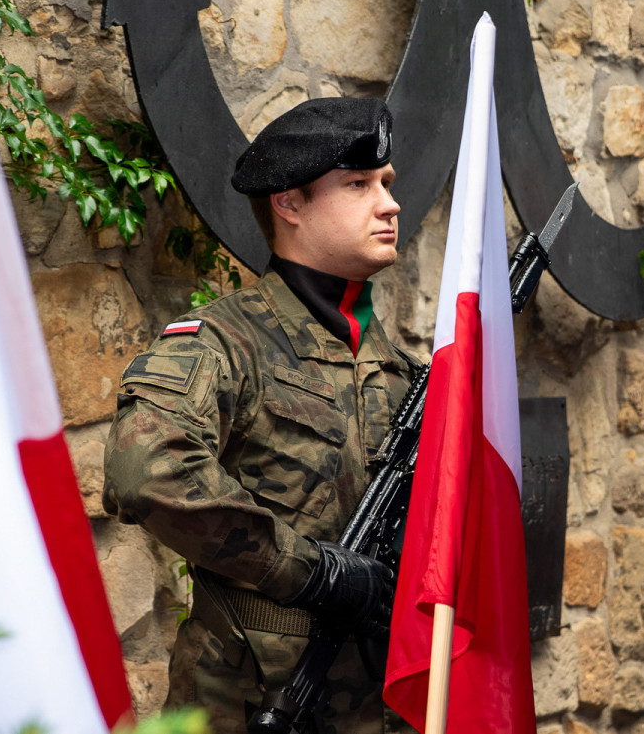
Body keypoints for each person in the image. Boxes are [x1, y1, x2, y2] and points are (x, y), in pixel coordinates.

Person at [104, 97, 417, 733]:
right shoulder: (221, 343)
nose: (389, 204)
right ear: (290, 204)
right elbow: (145, 470)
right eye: (358, 185)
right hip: (251, 702)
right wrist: (312, 572)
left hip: (381, 703)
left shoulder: (402, 372)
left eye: (385, 183)